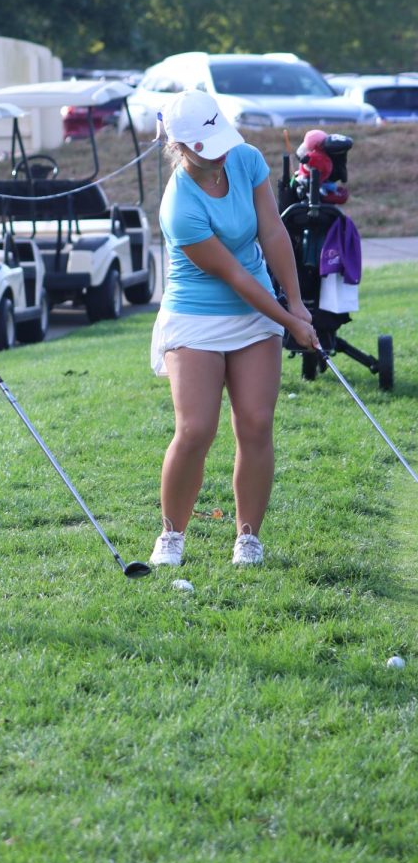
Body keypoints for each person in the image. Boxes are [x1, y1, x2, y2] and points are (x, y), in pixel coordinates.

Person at [149, 90, 320, 568]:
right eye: (206, 145)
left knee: (256, 422)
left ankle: (248, 536)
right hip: (197, 316)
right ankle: (171, 534)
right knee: (196, 428)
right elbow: (235, 277)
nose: (220, 150)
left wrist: (298, 303)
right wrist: (288, 322)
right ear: (180, 147)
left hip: (256, 313)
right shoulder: (178, 205)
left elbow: (272, 233)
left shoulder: (245, 160)